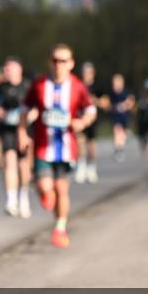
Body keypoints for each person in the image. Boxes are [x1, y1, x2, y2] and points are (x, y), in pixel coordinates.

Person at [18, 43, 96, 248]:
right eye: (55, 60)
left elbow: (90, 110)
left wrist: (82, 122)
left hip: (66, 147)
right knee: (44, 186)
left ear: (70, 64)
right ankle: (47, 195)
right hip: (43, 145)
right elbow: (25, 108)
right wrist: (22, 132)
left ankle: (60, 228)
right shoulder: (39, 85)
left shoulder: (77, 86)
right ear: (49, 62)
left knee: (62, 189)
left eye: (63, 61)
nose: (58, 64)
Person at [0, 57, 32, 218]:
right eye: (6, 69)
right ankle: (11, 200)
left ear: (19, 70)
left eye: (11, 69)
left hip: (25, 129)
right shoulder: (0, 88)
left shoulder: (28, 86)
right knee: (9, 162)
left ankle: (24, 197)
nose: (8, 72)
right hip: (7, 130)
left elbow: (36, 106)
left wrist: (31, 116)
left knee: (24, 166)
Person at [76, 62, 105, 184]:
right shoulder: (78, 85)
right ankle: (81, 166)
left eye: (88, 72)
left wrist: (95, 100)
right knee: (80, 142)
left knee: (91, 144)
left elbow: (105, 103)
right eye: (84, 72)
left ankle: (91, 167)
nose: (86, 75)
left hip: (93, 118)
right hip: (80, 117)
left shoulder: (98, 86)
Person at [105, 73, 134, 162]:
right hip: (115, 116)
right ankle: (119, 150)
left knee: (123, 132)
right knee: (117, 130)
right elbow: (107, 102)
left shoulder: (126, 91)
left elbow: (131, 101)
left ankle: (126, 137)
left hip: (124, 116)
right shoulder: (111, 93)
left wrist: (125, 105)